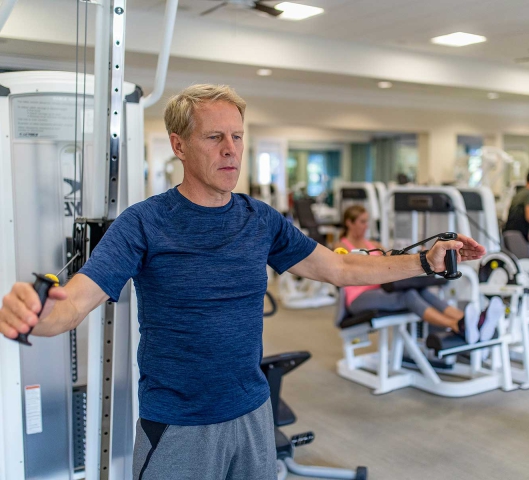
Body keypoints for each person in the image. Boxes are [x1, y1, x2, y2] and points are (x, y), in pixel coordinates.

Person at [0, 84, 486, 480]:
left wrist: (426, 261)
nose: (230, 150)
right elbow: (75, 302)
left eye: (237, 136)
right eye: (215, 138)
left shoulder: (261, 219)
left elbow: (340, 269)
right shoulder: (143, 223)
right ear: (179, 145)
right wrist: (35, 314)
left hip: (252, 412)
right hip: (178, 424)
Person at [335, 205, 502, 344]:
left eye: (366, 221)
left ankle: (473, 322)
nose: (366, 226)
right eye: (362, 222)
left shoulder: (373, 244)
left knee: (422, 292)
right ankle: (459, 326)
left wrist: (422, 255)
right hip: (357, 297)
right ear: (349, 223)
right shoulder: (341, 245)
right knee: (408, 295)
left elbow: (393, 261)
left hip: (383, 289)